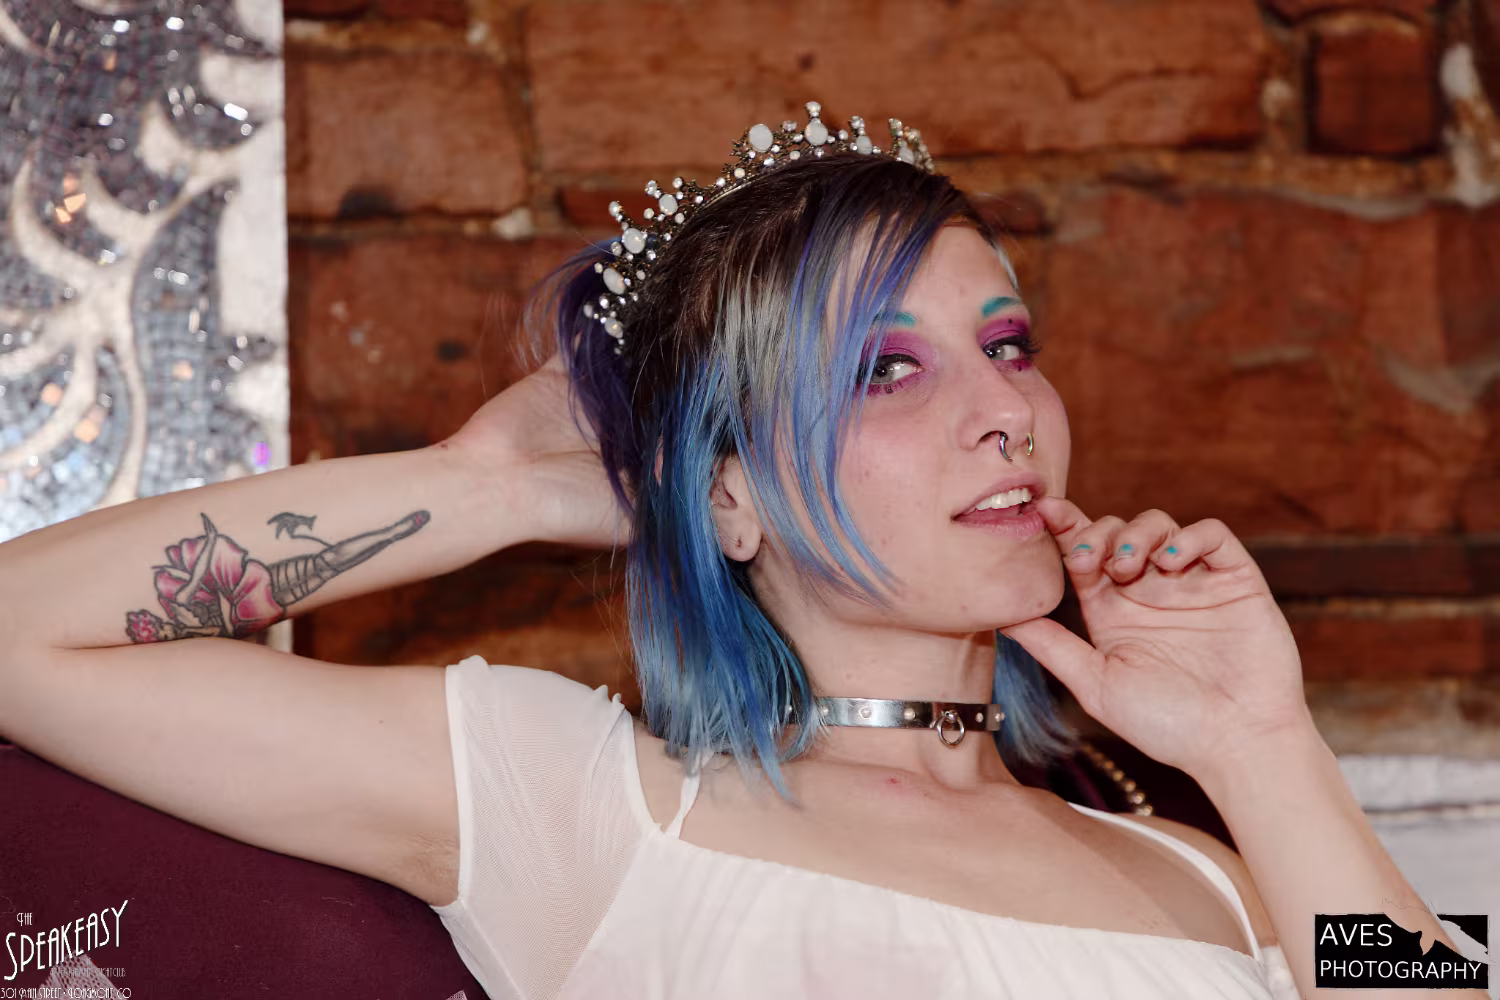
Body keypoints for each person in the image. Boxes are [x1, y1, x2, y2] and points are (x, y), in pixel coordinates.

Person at [0, 103, 1482, 1000]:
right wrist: (486, 485)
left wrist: (1262, 746)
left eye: (1008, 344)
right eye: (886, 370)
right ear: (731, 502)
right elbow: (21, 636)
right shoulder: (585, 805)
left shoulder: (1215, 877)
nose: (1006, 412)